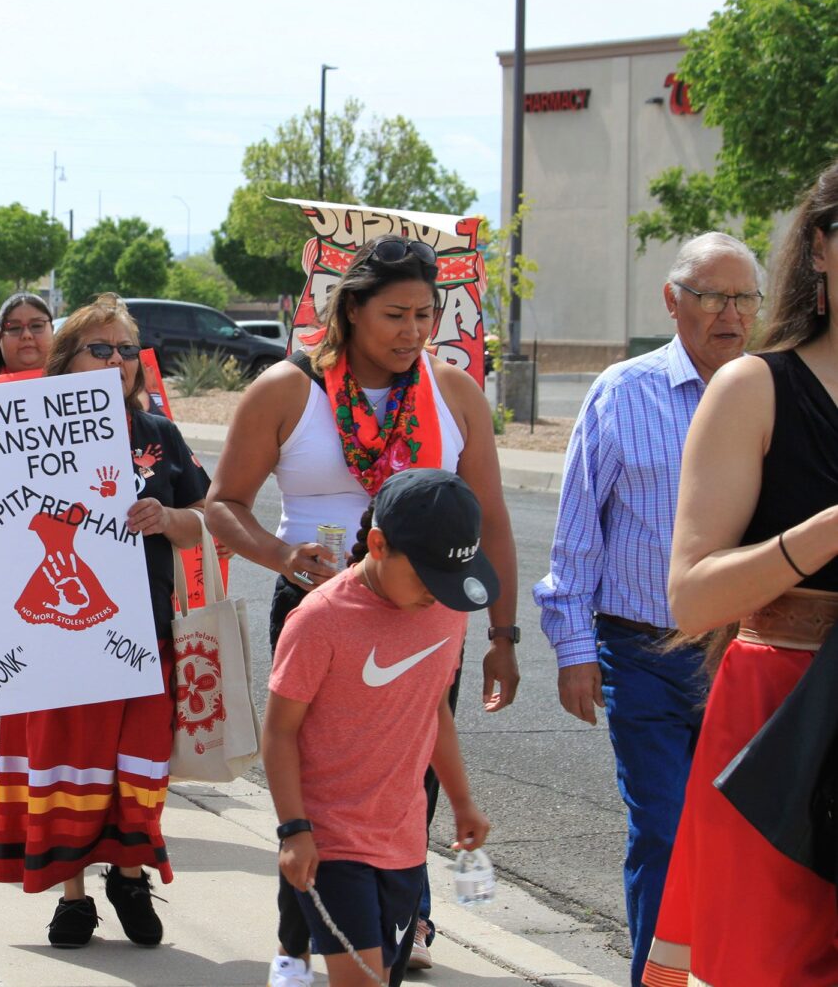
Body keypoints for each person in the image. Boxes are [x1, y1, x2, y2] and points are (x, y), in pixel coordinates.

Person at [205, 235, 519, 985]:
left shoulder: (453, 392)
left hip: (425, 609)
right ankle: (299, 938)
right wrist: (281, 556)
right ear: (350, 310)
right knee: (318, 779)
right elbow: (223, 504)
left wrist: (503, 634)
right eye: (395, 315)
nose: (413, 332)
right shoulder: (288, 389)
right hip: (318, 608)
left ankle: (401, 920)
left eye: (425, 315)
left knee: (411, 772)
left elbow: (492, 521)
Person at [0, 293, 208, 949]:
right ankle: (73, 897)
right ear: (67, 361)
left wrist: (170, 519)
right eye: (101, 348)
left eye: (127, 349)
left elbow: (210, 520)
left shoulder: (159, 435)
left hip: (142, 633)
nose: (118, 360)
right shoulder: (10, 430)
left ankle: (129, 878)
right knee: (65, 764)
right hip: (49, 641)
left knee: (136, 763)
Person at [533, 231, 760, 987]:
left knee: (746, 838)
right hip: (642, 653)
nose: (731, 314)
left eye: (744, 298)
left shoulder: (773, 392)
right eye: (712, 296)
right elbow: (578, 532)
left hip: (747, 654)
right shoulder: (622, 392)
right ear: (672, 300)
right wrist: (573, 650)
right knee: (664, 829)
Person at [643, 164, 838, 986]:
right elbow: (692, 598)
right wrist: (829, 530)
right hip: (782, 718)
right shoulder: (756, 387)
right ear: (820, 246)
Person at [265, 468, 494, 987]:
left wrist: (462, 801)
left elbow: (435, 709)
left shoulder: (447, 608)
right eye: (427, 576)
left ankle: (290, 956)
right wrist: (294, 830)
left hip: (403, 839)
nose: (439, 593)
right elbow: (279, 732)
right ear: (378, 544)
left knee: (378, 975)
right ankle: (291, 955)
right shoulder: (319, 620)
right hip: (330, 836)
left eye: (450, 578)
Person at [0, 291, 55, 386]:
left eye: (37, 326)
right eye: (14, 328)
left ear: (52, 330)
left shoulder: (67, 381)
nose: (26, 335)